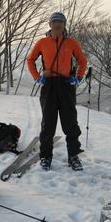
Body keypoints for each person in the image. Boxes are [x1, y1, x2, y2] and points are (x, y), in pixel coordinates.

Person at [26, 12, 87, 171]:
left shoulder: (71, 43)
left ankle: (73, 156)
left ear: (64, 25)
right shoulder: (42, 42)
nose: (57, 24)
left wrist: (78, 78)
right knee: (48, 124)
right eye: (54, 21)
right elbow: (30, 59)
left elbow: (82, 60)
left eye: (60, 22)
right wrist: (36, 77)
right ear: (50, 25)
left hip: (66, 85)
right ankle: (46, 157)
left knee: (70, 123)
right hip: (49, 85)